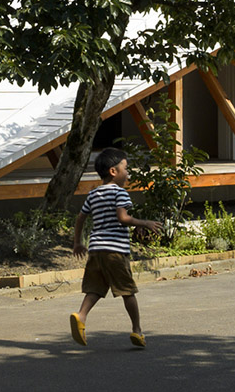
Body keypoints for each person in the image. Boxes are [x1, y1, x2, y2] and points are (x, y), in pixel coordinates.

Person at [70, 147, 163, 349]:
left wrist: (77, 242)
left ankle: (81, 315)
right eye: (125, 168)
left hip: (96, 249)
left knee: (95, 288)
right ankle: (137, 330)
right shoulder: (120, 192)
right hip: (115, 251)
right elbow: (122, 218)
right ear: (114, 171)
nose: (127, 173)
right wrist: (144, 223)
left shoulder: (93, 194)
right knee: (128, 291)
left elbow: (80, 218)